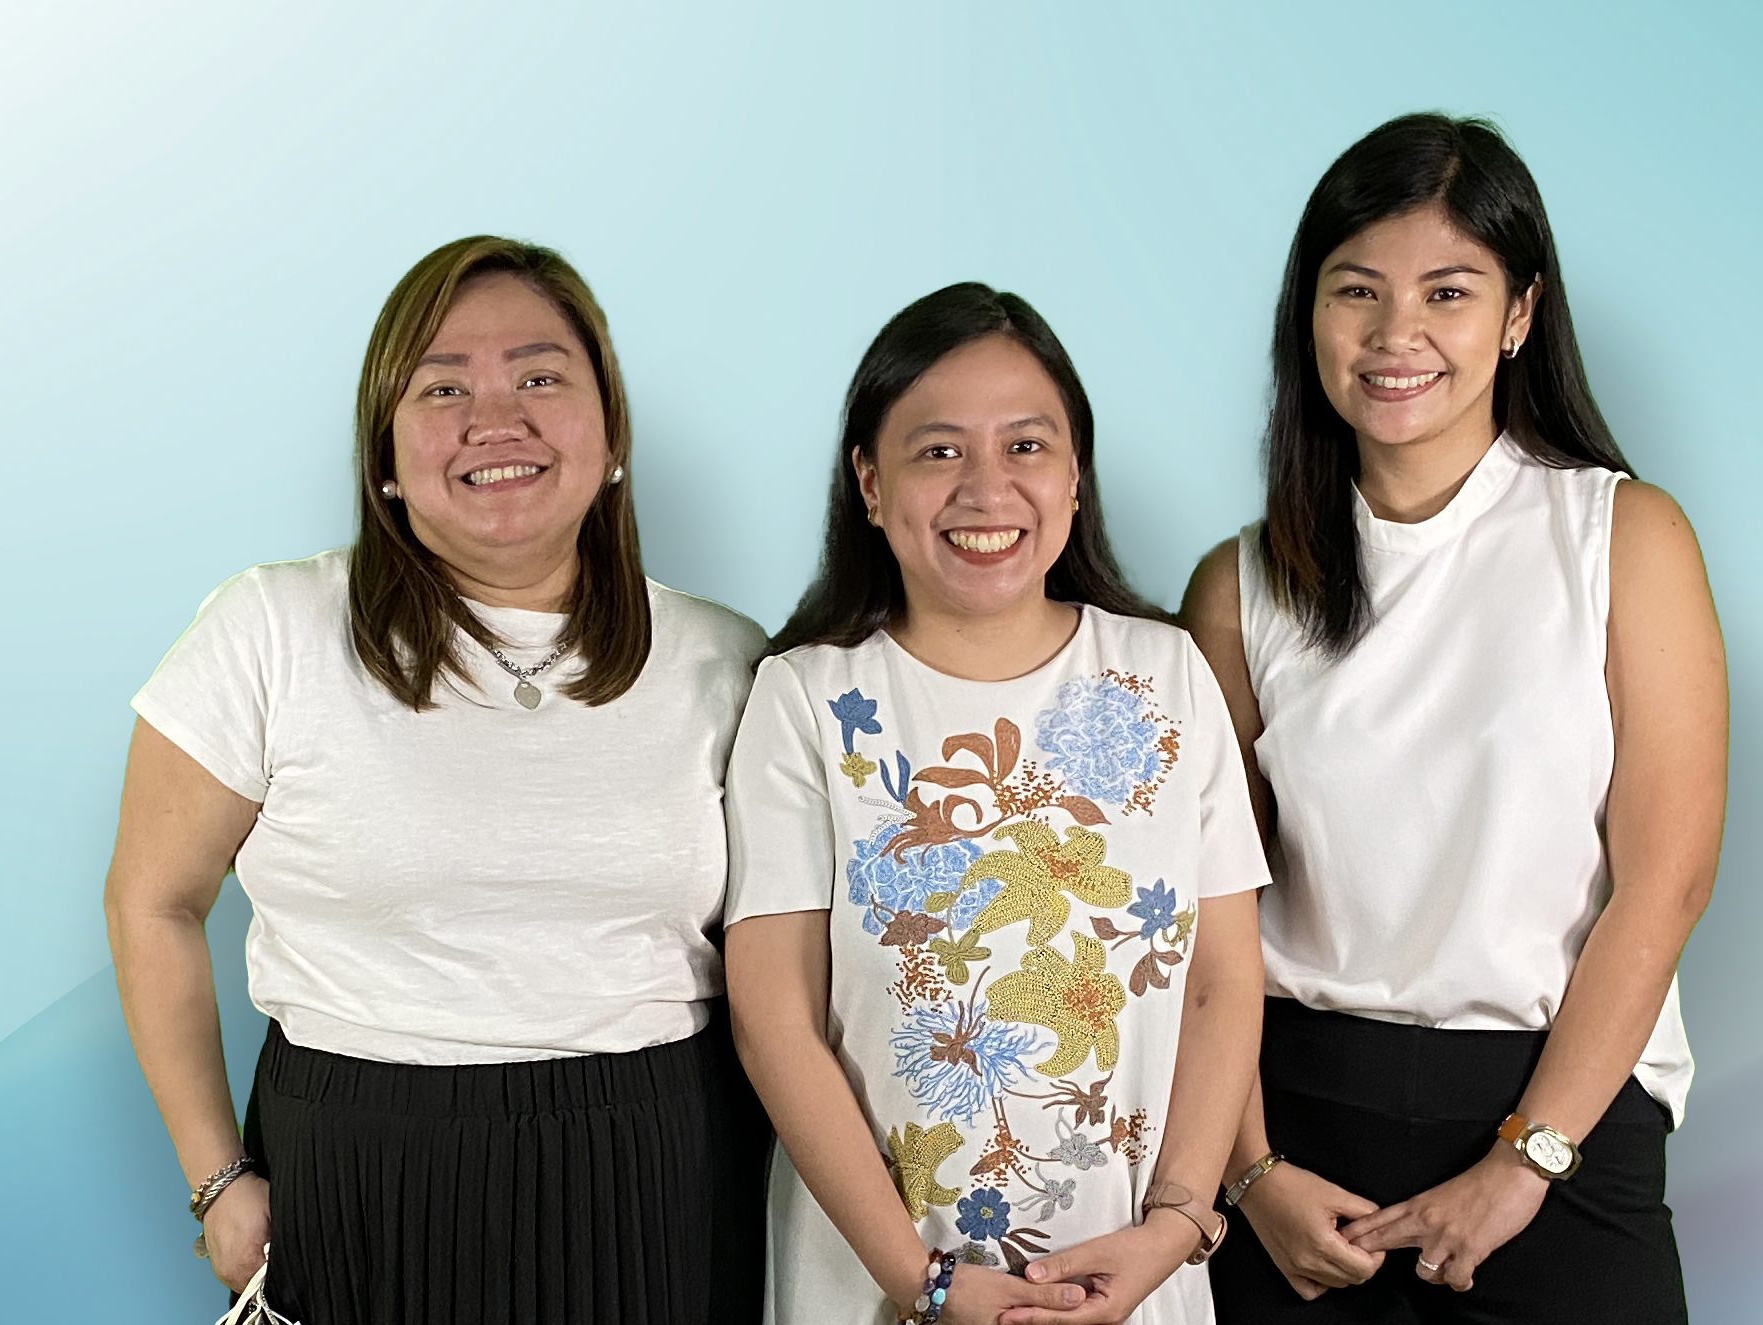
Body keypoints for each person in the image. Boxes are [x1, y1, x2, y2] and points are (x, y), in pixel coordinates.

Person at [103, 236, 769, 1325]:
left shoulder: (728, 658)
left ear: (611, 437)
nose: (494, 418)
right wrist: (218, 1178)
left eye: (540, 377)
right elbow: (151, 901)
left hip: (666, 1167)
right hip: (355, 1171)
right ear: (384, 456)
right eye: (443, 385)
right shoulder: (270, 628)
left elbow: (789, 956)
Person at [1184, 114, 1726, 1324]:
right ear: (1306, 314)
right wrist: (1247, 1168)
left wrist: (1524, 1161)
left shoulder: (1620, 538)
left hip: (1559, 1106)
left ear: (1520, 312)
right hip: (1297, 1134)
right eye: (1355, 292)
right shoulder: (1239, 585)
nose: (1396, 337)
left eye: (1448, 291)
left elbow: (1665, 879)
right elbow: (1204, 908)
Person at [723, 283, 1270, 1325]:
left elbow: (1221, 978)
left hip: (1137, 1275)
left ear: (1073, 477)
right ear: (869, 483)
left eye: (1026, 446)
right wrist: (920, 1279)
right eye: (938, 451)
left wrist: (1176, 1223)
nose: (986, 488)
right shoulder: (806, 698)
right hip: (878, 1283)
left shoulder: (1163, 674)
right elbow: (774, 1018)